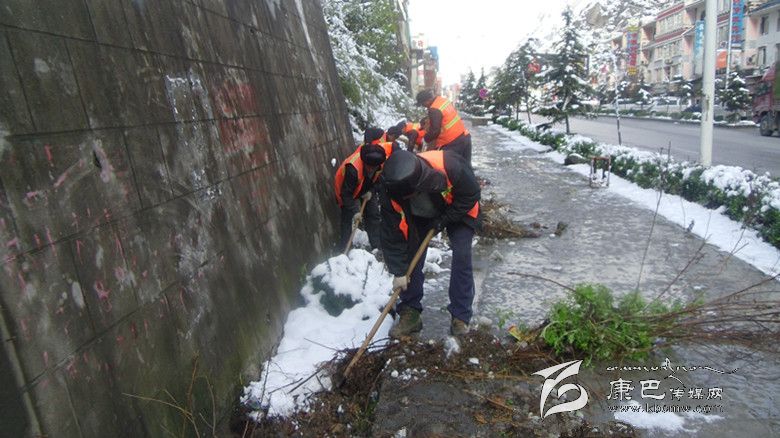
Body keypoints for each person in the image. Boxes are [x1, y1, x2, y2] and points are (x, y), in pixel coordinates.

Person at [379, 149, 480, 337]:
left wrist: (444, 220)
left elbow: (471, 194)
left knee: (461, 255)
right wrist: (399, 271)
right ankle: (410, 312)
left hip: (460, 209)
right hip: (421, 215)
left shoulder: (451, 166)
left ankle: (460, 316)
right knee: (412, 256)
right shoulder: (389, 187)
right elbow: (392, 233)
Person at [334, 128, 395, 250]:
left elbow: (378, 181)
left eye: (374, 167)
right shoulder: (353, 169)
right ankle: (344, 248)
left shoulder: (379, 164)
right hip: (345, 190)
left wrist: (371, 191)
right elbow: (346, 194)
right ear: (364, 162)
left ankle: (376, 245)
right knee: (347, 217)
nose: (371, 169)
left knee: (373, 214)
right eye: (369, 167)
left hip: (366, 186)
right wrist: (355, 211)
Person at [416, 89, 472, 165]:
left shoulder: (434, 109)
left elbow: (435, 131)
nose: (424, 106)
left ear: (428, 100)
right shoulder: (442, 101)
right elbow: (443, 116)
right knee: (466, 167)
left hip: (452, 143)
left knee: (450, 168)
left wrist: (425, 139)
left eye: (423, 104)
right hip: (464, 136)